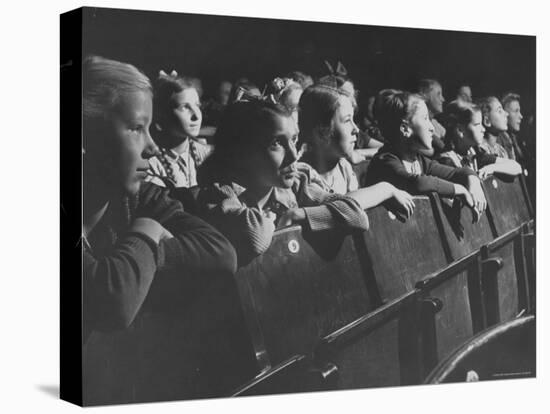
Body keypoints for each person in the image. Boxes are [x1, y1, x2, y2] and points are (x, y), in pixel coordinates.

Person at [82, 56, 237, 342]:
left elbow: (222, 252)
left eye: (150, 129)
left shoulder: (138, 198)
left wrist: (150, 254)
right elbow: (115, 301)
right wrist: (147, 232)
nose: (152, 147)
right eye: (136, 128)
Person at [197, 98, 370, 265]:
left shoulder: (295, 184)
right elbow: (255, 238)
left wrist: (296, 214)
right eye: (276, 143)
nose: (294, 155)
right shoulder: (220, 193)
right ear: (244, 153)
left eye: (294, 139)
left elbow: (356, 215)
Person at [366, 89, 487, 220]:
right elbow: (417, 183)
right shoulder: (386, 161)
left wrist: (473, 181)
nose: (432, 128)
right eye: (425, 119)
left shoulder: (418, 160)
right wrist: (459, 189)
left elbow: (456, 173)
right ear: (405, 129)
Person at [297, 84, 415, 215]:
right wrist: (386, 189)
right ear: (321, 133)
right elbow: (341, 208)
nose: (356, 129)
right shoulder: (302, 176)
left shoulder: (343, 167)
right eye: (347, 120)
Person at [146, 70, 213, 190]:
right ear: (163, 114)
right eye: (185, 107)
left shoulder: (206, 154)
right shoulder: (152, 164)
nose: (196, 116)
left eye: (197, 106)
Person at [438, 100, 521, 179]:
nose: (483, 129)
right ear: (460, 130)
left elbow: (516, 167)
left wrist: (491, 168)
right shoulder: (446, 161)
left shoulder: (474, 154)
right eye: (477, 125)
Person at [417, 78, 446, 154]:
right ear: (424, 95)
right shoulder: (416, 123)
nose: (443, 99)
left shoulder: (435, 124)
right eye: (438, 94)